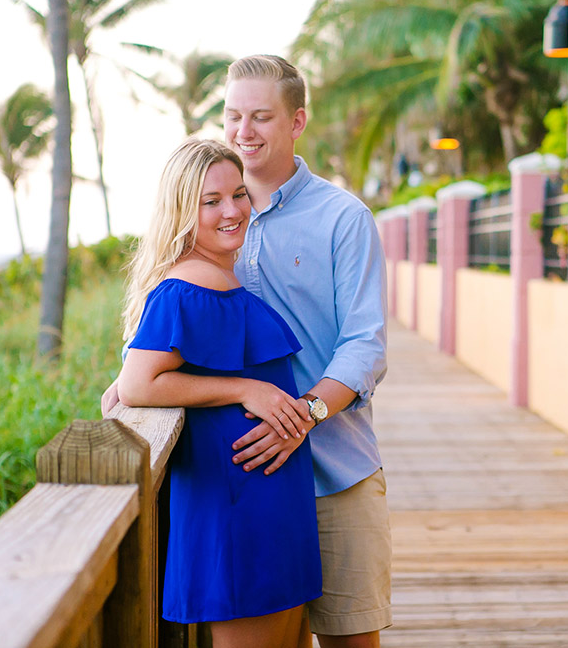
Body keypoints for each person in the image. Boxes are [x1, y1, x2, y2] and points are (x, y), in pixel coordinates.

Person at [105, 54, 391, 647]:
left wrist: (302, 414)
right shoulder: (212, 222)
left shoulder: (342, 218)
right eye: (234, 115)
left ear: (298, 121)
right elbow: (176, 328)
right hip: (244, 480)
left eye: (262, 115)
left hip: (334, 471)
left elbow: (365, 345)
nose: (244, 130)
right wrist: (134, 377)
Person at [115, 138, 322, 648]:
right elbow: (138, 384)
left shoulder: (216, 279)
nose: (232, 211)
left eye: (238, 194)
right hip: (238, 509)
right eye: (212, 201)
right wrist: (244, 388)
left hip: (268, 498)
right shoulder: (187, 288)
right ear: (184, 209)